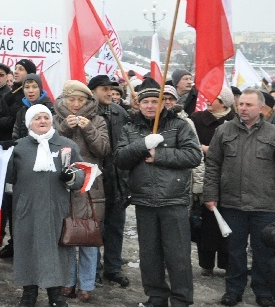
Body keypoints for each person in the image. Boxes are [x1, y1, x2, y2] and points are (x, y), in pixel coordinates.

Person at [115, 77, 202, 307]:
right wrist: (141, 145)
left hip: (173, 200)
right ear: (139, 104)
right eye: (146, 102)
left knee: (178, 256)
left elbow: (194, 156)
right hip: (144, 200)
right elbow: (121, 160)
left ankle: (182, 300)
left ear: (164, 103)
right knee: (150, 256)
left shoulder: (179, 125)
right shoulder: (130, 128)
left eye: (155, 101)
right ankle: (156, 297)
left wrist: (160, 155)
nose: (150, 105)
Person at [7, 104, 85, 307]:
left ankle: (56, 296)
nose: (42, 121)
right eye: (37, 118)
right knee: (27, 250)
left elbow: (81, 175)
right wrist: (3, 156)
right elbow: (7, 178)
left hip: (56, 209)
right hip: (27, 209)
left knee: (56, 252)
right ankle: (28, 294)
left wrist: (73, 177)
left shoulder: (66, 145)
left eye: (46, 117)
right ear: (29, 123)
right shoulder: (19, 147)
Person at [203, 89, 275, 307]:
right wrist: (210, 194)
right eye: (240, 104)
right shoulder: (224, 131)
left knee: (264, 253)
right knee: (234, 251)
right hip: (232, 203)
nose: (242, 108)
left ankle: (263, 292)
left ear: (261, 108)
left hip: (265, 204)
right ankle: (233, 290)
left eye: (248, 105)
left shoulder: (272, 133)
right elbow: (213, 164)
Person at [53, 80, 110, 302]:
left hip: (89, 187)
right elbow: (50, 146)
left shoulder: (98, 120)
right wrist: (65, 127)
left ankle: (86, 285)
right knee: (65, 235)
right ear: (64, 100)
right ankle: (67, 282)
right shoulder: (56, 118)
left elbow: (103, 149)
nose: (76, 104)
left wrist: (88, 129)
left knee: (88, 235)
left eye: (81, 100)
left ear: (88, 101)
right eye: (71, 99)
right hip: (61, 185)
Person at [88, 75, 131, 288]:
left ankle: (113, 268)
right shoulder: (86, 112)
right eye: (104, 89)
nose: (109, 93)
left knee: (116, 226)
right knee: (95, 227)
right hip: (95, 178)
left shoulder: (119, 112)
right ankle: (92, 270)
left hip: (117, 177)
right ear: (93, 91)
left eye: (110, 89)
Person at [0, 58, 37, 258]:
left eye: (21, 69)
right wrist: (11, 121)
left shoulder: (37, 102)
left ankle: (21, 244)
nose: (16, 72)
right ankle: (7, 241)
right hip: (6, 150)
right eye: (16, 69)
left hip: (27, 156)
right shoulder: (11, 96)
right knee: (7, 202)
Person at [189, 86, 235, 278]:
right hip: (203, 175)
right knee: (206, 225)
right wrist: (200, 149)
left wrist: (211, 150)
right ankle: (206, 264)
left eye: (213, 97)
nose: (208, 100)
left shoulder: (234, 121)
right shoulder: (197, 119)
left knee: (228, 223)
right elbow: (189, 142)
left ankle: (227, 264)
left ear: (224, 102)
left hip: (229, 178)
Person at [12, 74, 53, 140]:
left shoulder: (49, 108)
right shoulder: (22, 111)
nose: (30, 91)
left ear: (40, 89)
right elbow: (16, 135)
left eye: (34, 87)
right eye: (27, 87)